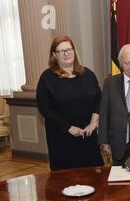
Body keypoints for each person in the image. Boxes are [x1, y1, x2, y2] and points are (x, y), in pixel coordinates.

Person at [36, 35, 104, 171]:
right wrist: (68, 128)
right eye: (61, 51)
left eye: (69, 49)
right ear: (54, 55)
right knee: (65, 181)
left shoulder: (88, 74)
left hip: (88, 136)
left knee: (93, 179)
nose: (66, 54)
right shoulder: (47, 78)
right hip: (61, 138)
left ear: (74, 51)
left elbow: (99, 100)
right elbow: (44, 109)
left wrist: (93, 123)